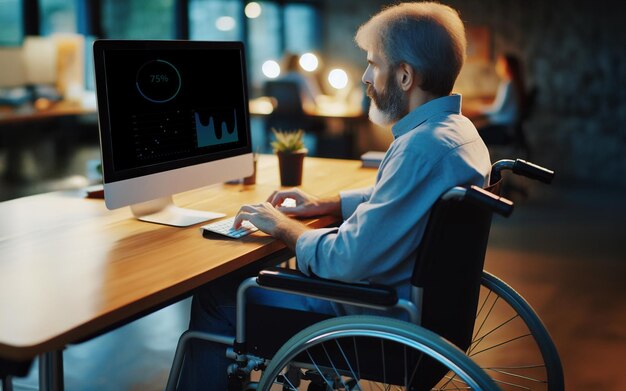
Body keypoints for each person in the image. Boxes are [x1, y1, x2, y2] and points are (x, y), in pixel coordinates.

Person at [179, 2, 491, 389]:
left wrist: (283, 226)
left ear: (406, 76)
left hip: (373, 318)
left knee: (218, 294)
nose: (366, 76)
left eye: (374, 64)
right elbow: (401, 201)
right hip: (423, 310)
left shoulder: (420, 149)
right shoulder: (457, 134)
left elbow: (344, 260)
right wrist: (331, 204)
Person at [476, 53, 527, 144]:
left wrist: (479, 109)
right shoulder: (514, 83)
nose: (497, 66)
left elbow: (497, 109)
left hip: (504, 126)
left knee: (474, 133)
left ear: (507, 66)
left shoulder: (508, 84)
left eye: (500, 64)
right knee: (479, 126)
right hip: (509, 125)